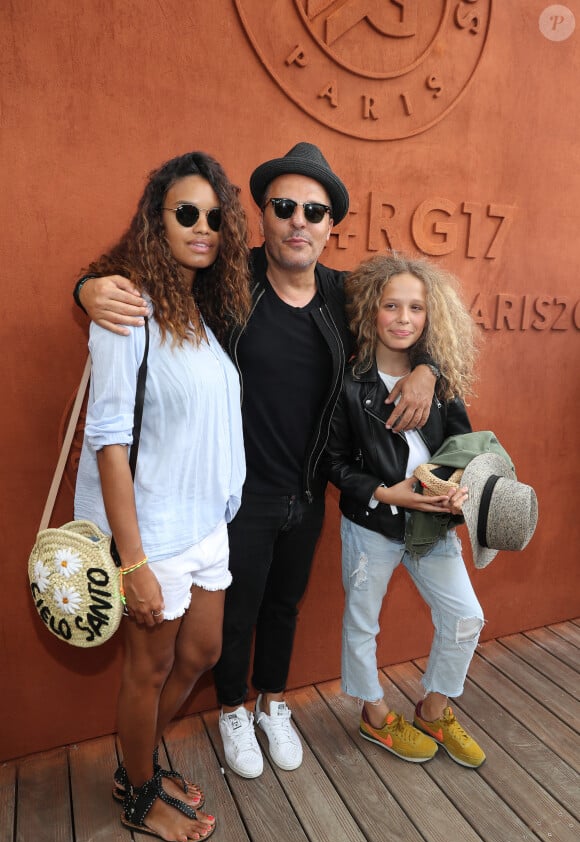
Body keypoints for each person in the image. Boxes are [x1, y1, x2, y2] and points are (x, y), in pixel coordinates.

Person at [73, 143, 439, 779]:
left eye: (315, 210)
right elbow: (143, 269)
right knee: (229, 622)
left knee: (282, 607)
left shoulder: (346, 297)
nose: (300, 220)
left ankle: (274, 704)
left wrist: (428, 369)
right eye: (285, 206)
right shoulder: (227, 280)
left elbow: (406, 322)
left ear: (330, 226)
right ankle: (233, 710)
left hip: (306, 490)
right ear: (265, 217)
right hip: (235, 498)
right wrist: (87, 287)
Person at [74, 151, 250, 842]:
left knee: (201, 653)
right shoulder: (124, 308)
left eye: (214, 217)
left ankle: (135, 760)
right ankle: (139, 791)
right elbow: (109, 442)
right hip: (153, 533)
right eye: (186, 213)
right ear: (157, 219)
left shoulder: (200, 313)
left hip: (206, 525)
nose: (202, 227)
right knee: (146, 670)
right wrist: (132, 562)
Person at [324, 253, 487, 768]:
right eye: (391, 304)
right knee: (362, 622)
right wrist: (385, 492)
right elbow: (333, 461)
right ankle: (374, 715)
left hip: (432, 523)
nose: (403, 317)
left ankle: (433, 709)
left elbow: (462, 442)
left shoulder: (437, 378)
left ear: (428, 315)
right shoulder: (349, 382)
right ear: (371, 309)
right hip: (373, 523)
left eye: (415, 307)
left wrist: (458, 487)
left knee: (465, 616)